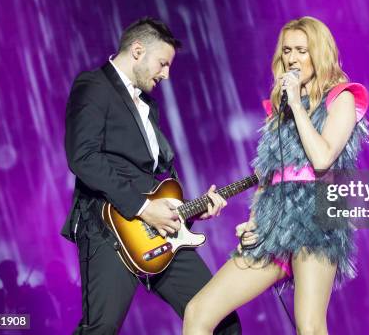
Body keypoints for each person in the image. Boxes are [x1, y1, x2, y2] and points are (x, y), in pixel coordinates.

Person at [183, 16, 369, 335]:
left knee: (309, 326)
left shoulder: (342, 98)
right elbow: (269, 172)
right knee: (198, 311)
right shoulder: (279, 111)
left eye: (301, 50)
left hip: (317, 217)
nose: (292, 58)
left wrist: (297, 105)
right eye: (287, 51)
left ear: (319, 53)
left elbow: (323, 159)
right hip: (273, 222)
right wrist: (254, 220)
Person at [61, 17, 241, 334]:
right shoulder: (93, 85)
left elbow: (155, 185)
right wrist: (145, 209)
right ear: (138, 50)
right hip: (108, 229)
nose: (166, 74)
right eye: (162, 64)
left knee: (221, 320)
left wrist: (190, 210)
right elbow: (83, 157)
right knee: (100, 329)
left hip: (160, 236)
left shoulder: (148, 105)